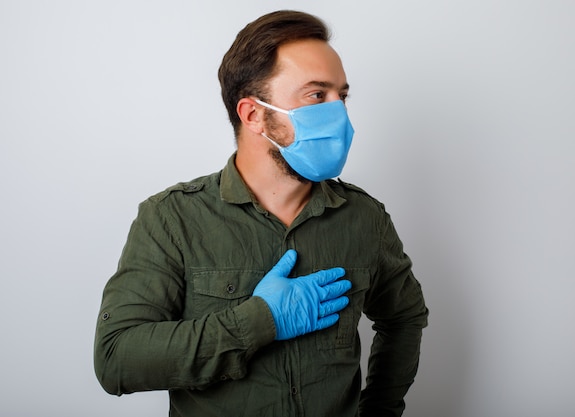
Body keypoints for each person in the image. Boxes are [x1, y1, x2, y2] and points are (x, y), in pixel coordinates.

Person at [94, 9, 428, 417]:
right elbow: (116, 361)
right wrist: (259, 320)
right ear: (253, 114)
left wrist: (380, 410)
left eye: (343, 95)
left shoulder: (364, 218)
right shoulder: (171, 219)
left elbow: (405, 318)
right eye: (316, 95)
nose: (339, 114)